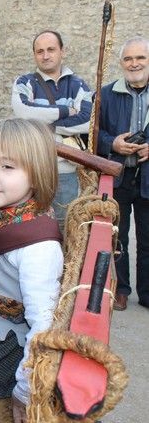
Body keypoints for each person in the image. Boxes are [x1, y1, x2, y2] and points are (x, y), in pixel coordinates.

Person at [0, 119, 63, 423]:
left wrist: (25, 389)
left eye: (7, 167)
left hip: (5, 349)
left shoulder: (37, 245)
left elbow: (43, 324)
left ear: (37, 174)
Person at [11, 30, 92, 227]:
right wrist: (66, 111)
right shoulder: (24, 82)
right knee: (29, 226)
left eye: (51, 50)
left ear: (62, 51)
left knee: (63, 226)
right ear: (34, 55)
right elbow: (23, 112)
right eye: (40, 51)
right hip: (31, 169)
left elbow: (88, 121)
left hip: (65, 172)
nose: (45, 56)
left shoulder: (78, 85)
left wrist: (44, 124)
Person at [97, 36, 149, 311]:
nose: (134, 63)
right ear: (121, 63)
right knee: (117, 236)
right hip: (118, 176)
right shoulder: (105, 95)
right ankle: (120, 290)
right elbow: (92, 134)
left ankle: (147, 292)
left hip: (147, 177)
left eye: (140, 58)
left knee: (148, 238)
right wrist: (113, 143)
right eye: (128, 58)